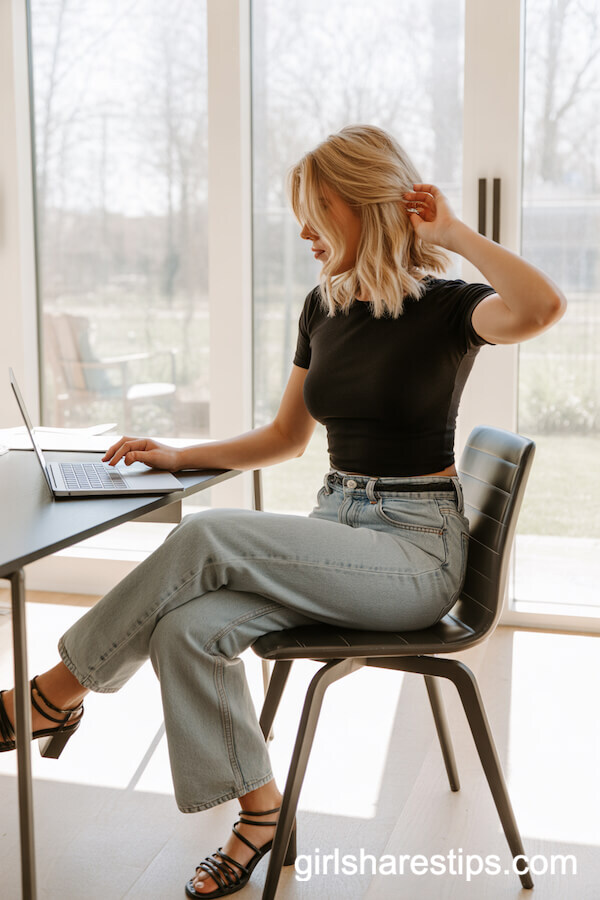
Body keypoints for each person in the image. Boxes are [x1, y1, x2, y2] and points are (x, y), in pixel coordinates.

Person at [0, 124, 565, 897]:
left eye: (317, 209)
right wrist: (178, 454)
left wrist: (456, 232)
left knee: (205, 535)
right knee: (186, 629)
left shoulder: (449, 308)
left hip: (414, 555)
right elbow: (284, 437)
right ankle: (261, 814)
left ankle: (49, 696)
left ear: (368, 208)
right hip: (338, 528)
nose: (302, 228)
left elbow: (541, 308)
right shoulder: (322, 306)